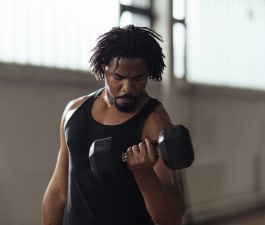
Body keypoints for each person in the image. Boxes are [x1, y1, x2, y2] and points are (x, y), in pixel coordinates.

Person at [42, 24, 186, 225]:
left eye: (138, 78)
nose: (128, 88)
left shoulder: (155, 122)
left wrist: (145, 175)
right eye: (118, 77)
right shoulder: (73, 112)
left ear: (148, 73)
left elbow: (172, 217)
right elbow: (58, 192)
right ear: (103, 70)